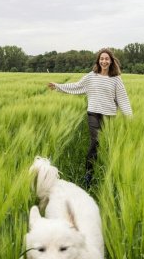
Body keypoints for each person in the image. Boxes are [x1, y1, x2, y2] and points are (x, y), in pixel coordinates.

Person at [48, 48, 132, 187]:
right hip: (93, 113)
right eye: (102, 59)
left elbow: (123, 99)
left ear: (111, 61)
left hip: (109, 115)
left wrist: (129, 117)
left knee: (107, 145)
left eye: (107, 59)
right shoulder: (91, 76)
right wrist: (58, 86)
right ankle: (89, 173)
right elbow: (76, 86)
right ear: (98, 61)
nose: (104, 61)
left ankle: (105, 173)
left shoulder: (116, 79)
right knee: (95, 142)